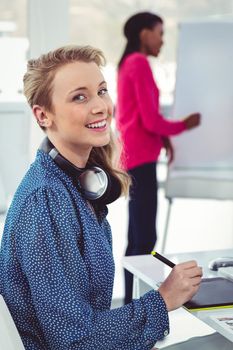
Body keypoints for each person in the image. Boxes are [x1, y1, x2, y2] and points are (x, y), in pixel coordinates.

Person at [0, 45, 202, 350]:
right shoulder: (46, 200)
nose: (101, 107)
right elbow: (74, 340)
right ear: (43, 115)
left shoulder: (76, 184)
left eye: (102, 91)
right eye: (79, 97)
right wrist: (162, 300)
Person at [116, 12, 201, 305]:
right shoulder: (137, 63)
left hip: (135, 156)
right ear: (144, 34)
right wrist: (183, 126)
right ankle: (139, 309)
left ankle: (131, 305)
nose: (163, 40)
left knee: (138, 237)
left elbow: (142, 117)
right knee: (145, 239)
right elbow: (151, 121)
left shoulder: (129, 63)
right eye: (160, 33)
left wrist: (164, 139)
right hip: (139, 159)